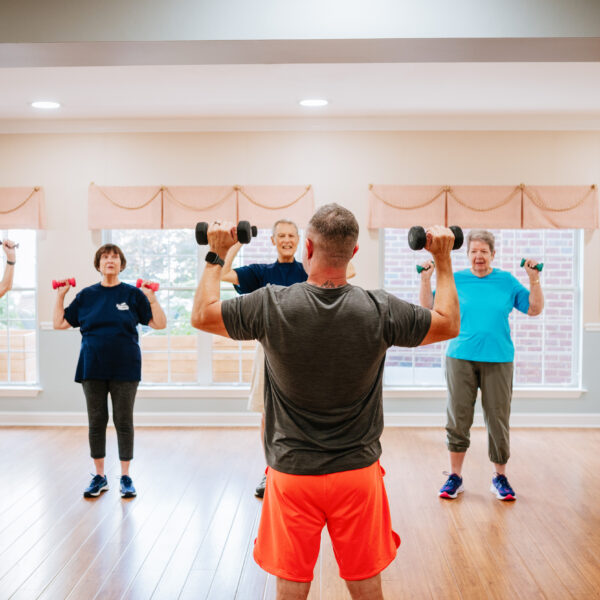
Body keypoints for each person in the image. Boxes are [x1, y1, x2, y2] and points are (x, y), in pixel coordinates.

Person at [191, 205, 459, 600]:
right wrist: (442, 260)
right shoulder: (380, 308)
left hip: (292, 475)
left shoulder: (270, 304)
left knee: (292, 587)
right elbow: (449, 323)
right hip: (357, 475)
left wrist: (215, 255)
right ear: (353, 254)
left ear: (308, 248)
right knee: (366, 586)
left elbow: (201, 315)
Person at [221, 219, 355, 498]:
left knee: (308, 412)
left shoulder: (309, 269)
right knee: (268, 414)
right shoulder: (260, 272)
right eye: (280, 235)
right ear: (272, 240)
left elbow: (349, 269)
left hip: (308, 352)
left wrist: (318, 251)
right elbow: (223, 273)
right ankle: (270, 470)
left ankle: (309, 470)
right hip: (269, 351)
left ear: (300, 241)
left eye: (291, 236)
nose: (286, 240)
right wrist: (236, 243)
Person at [419, 229, 544, 501]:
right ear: (468, 255)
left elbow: (534, 309)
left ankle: (500, 477)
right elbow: (429, 307)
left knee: (498, 419)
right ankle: (455, 477)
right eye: (474, 251)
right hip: (459, 356)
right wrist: (426, 279)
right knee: (458, 417)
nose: (478, 256)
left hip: (499, 358)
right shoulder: (454, 279)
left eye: (483, 251)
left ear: (493, 254)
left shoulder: (507, 281)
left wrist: (534, 280)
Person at [53, 244, 166, 499]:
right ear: (98, 265)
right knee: (97, 421)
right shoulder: (86, 296)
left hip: (126, 368)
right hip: (92, 366)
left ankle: (126, 477)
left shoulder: (133, 295)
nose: (110, 260)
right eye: (105, 257)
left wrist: (152, 298)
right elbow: (59, 323)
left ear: (121, 264)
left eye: (115, 257)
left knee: (123, 421)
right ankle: (100, 477)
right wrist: (61, 296)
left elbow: (159, 323)